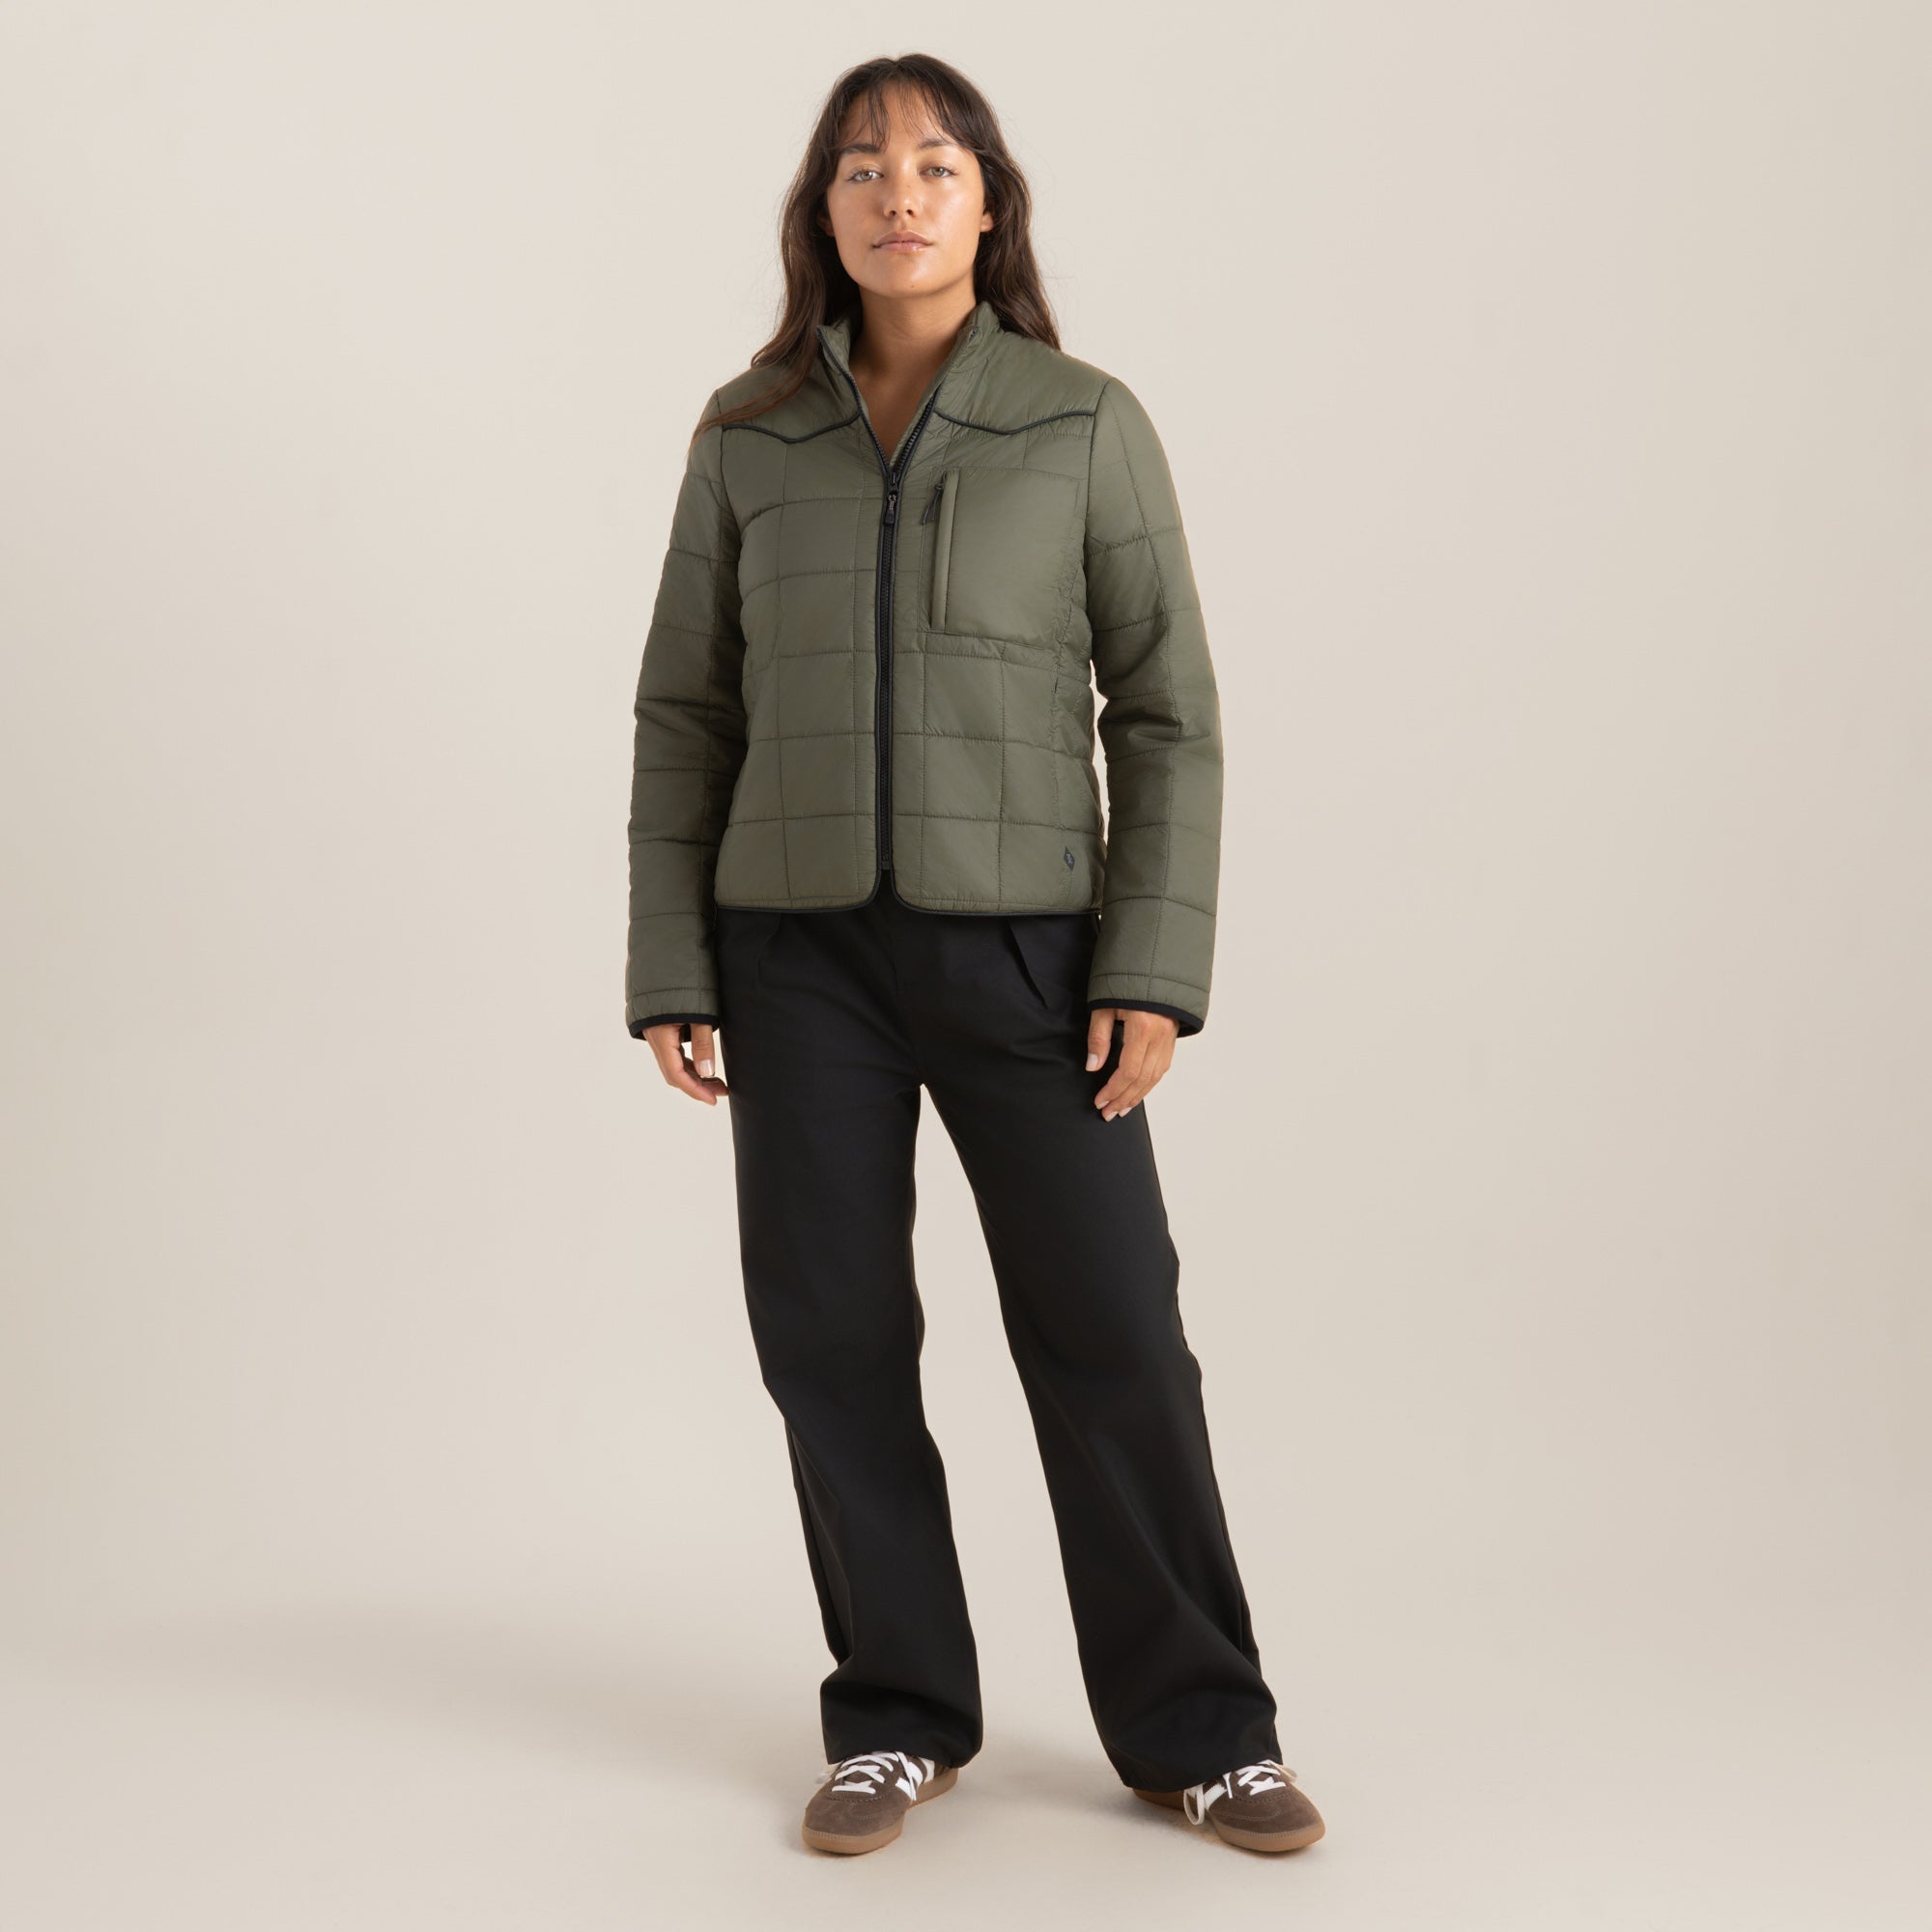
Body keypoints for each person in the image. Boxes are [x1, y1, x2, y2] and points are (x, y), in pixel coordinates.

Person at [624, 52, 1325, 1861]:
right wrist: (675, 965)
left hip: (1032, 955)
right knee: (831, 1339)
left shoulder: (1081, 423)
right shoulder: (747, 433)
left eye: (935, 164)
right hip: (796, 958)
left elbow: (1166, 712)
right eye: (863, 167)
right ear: (824, 210)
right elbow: (686, 711)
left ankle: (1203, 1732)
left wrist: (1149, 965)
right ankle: (897, 1717)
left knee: (1115, 1335)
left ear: (989, 205)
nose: (899, 194)